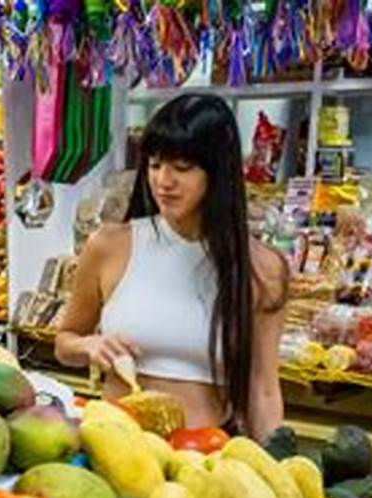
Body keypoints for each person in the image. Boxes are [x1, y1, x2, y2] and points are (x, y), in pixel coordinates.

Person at [55, 94, 288, 439]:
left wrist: (277, 469)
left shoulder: (262, 270)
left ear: (218, 172)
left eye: (182, 168)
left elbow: (263, 390)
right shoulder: (109, 246)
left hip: (205, 458)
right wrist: (88, 346)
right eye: (154, 165)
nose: (164, 181)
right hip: (115, 446)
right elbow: (65, 343)